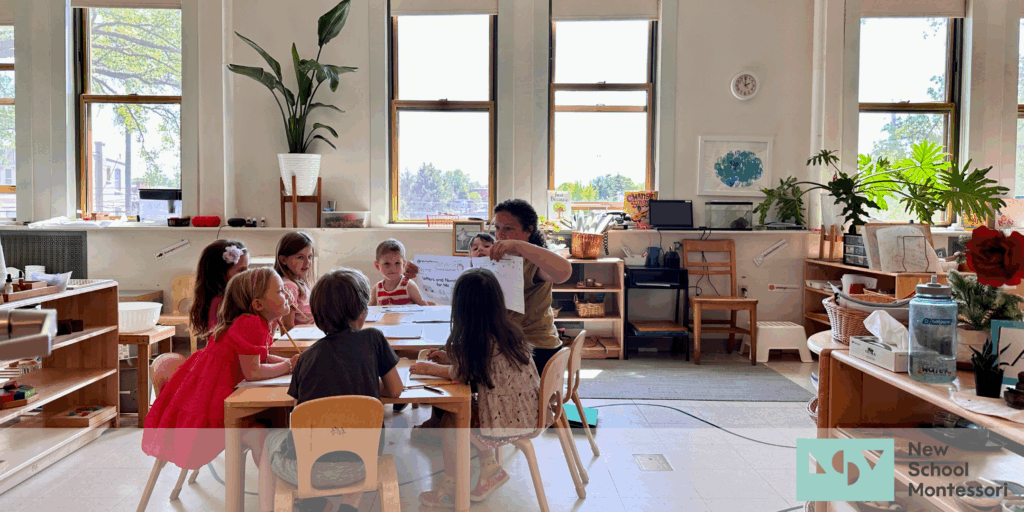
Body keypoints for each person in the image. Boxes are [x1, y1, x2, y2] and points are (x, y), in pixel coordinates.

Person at [142, 267, 297, 512]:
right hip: (212, 409)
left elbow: (261, 357)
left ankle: (281, 493)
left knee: (269, 426)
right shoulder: (251, 324)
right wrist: (289, 365)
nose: (287, 294)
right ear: (258, 304)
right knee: (264, 436)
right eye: (279, 291)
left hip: (213, 399)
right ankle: (280, 497)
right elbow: (254, 372)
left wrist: (290, 364)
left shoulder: (256, 321)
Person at [262, 268, 403, 512]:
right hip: (363, 464)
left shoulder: (305, 359)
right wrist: (366, 384)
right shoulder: (373, 339)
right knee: (358, 437)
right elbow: (396, 390)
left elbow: (299, 414)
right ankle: (349, 504)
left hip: (306, 469)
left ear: (317, 317)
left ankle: (312, 501)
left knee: (269, 441)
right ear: (363, 311)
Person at [411, 268, 540, 506]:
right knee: (467, 410)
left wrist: (431, 368)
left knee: (452, 421)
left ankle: (450, 487)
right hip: (528, 412)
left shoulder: (483, 340)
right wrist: (449, 357)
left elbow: (462, 373)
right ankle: (490, 469)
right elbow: (481, 364)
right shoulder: (504, 331)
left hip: (508, 420)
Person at [189, 240, 249, 335]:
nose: (248, 274)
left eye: (247, 269)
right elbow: (215, 338)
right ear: (220, 274)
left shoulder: (235, 296)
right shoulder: (220, 302)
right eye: (241, 270)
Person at [370, 238, 430, 306]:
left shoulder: (409, 286)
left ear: (403, 264)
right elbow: (369, 311)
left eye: (397, 263)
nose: (393, 268)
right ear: (377, 266)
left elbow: (425, 308)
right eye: (387, 263)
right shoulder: (376, 289)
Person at [274, 231, 315, 330]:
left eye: (309, 256)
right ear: (283, 260)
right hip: (303, 337)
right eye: (300, 257)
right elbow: (287, 326)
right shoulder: (289, 286)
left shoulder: (299, 282)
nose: (307, 262)